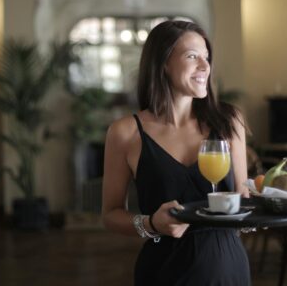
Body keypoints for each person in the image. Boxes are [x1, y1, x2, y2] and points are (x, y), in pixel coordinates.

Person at [102, 20, 251, 285]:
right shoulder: (125, 132)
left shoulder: (229, 121)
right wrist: (151, 224)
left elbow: (242, 197)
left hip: (226, 267)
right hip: (163, 271)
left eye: (206, 57)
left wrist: (262, 207)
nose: (205, 66)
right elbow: (111, 214)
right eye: (192, 56)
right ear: (163, 64)